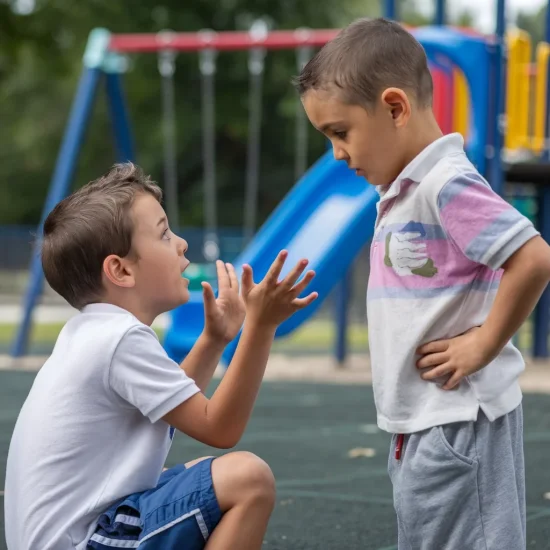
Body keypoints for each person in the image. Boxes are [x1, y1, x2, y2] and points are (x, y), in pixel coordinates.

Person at [294, 17, 550, 549]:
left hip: (457, 418)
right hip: (423, 418)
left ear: (394, 108)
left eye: (340, 133)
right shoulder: (406, 188)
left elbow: (533, 258)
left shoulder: (445, 182)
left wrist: (483, 343)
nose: (338, 154)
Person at [4, 163, 318, 550]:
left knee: (191, 475)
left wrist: (215, 339)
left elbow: (172, 409)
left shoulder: (92, 332)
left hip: (74, 535)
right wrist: (261, 325)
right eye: (164, 233)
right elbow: (219, 429)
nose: (181, 243)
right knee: (248, 478)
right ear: (120, 270)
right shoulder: (119, 338)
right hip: (82, 541)